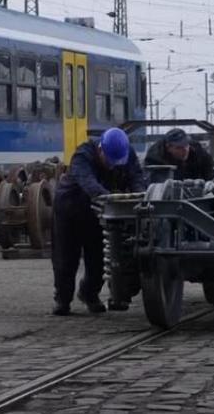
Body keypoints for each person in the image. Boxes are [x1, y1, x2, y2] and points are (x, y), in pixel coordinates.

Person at [51, 128, 144, 316]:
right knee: (65, 258)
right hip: (71, 210)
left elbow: (137, 178)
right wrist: (110, 198)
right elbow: (88, 182)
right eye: (110, 162)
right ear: (101, 150)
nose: (113, 166)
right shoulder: (83, 155)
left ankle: (89, 294)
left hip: (100, 212)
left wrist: (140, 196)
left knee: (99, 259)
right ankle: (63, 300)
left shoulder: (127, 154)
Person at [144, 128, 214, 181]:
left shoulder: (197, 150)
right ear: (168, 147)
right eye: (179, 148)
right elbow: (158, 184)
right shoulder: (155, 157)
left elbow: (209, 170)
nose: (185, 150)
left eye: (186, 145)